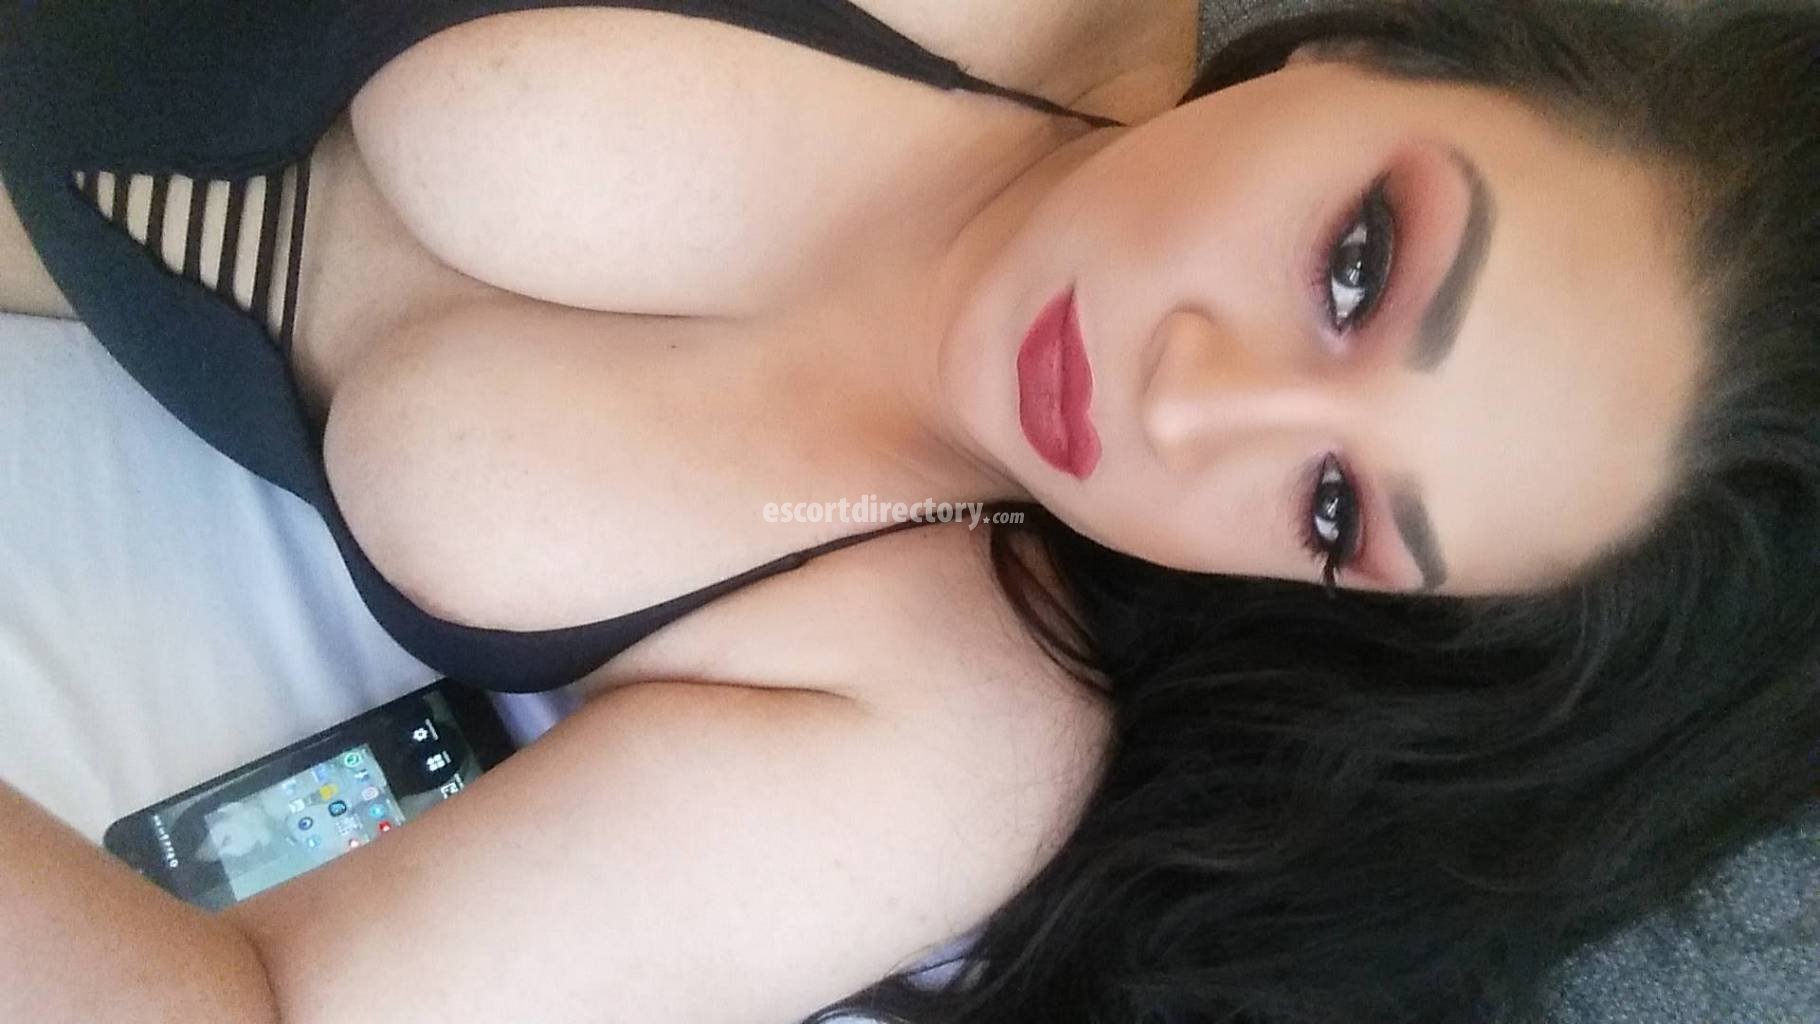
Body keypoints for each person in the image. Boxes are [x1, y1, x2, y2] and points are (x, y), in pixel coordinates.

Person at [0, 1, 1814, 1022]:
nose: (1185, 404)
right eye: (1355, 266)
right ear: (1371, 54)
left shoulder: (943, 722)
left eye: (1334, 509)